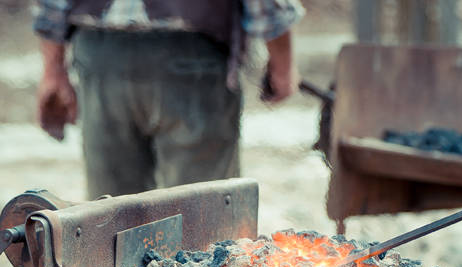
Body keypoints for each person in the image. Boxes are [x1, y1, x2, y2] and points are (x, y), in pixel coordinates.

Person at [33, 0, 304, 198]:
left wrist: (53, 68)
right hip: (191, 60)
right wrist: (283, 64)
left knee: (110, 216)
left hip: (102, 60)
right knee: (202, 211)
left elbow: (52, 6)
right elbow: (269, 8)